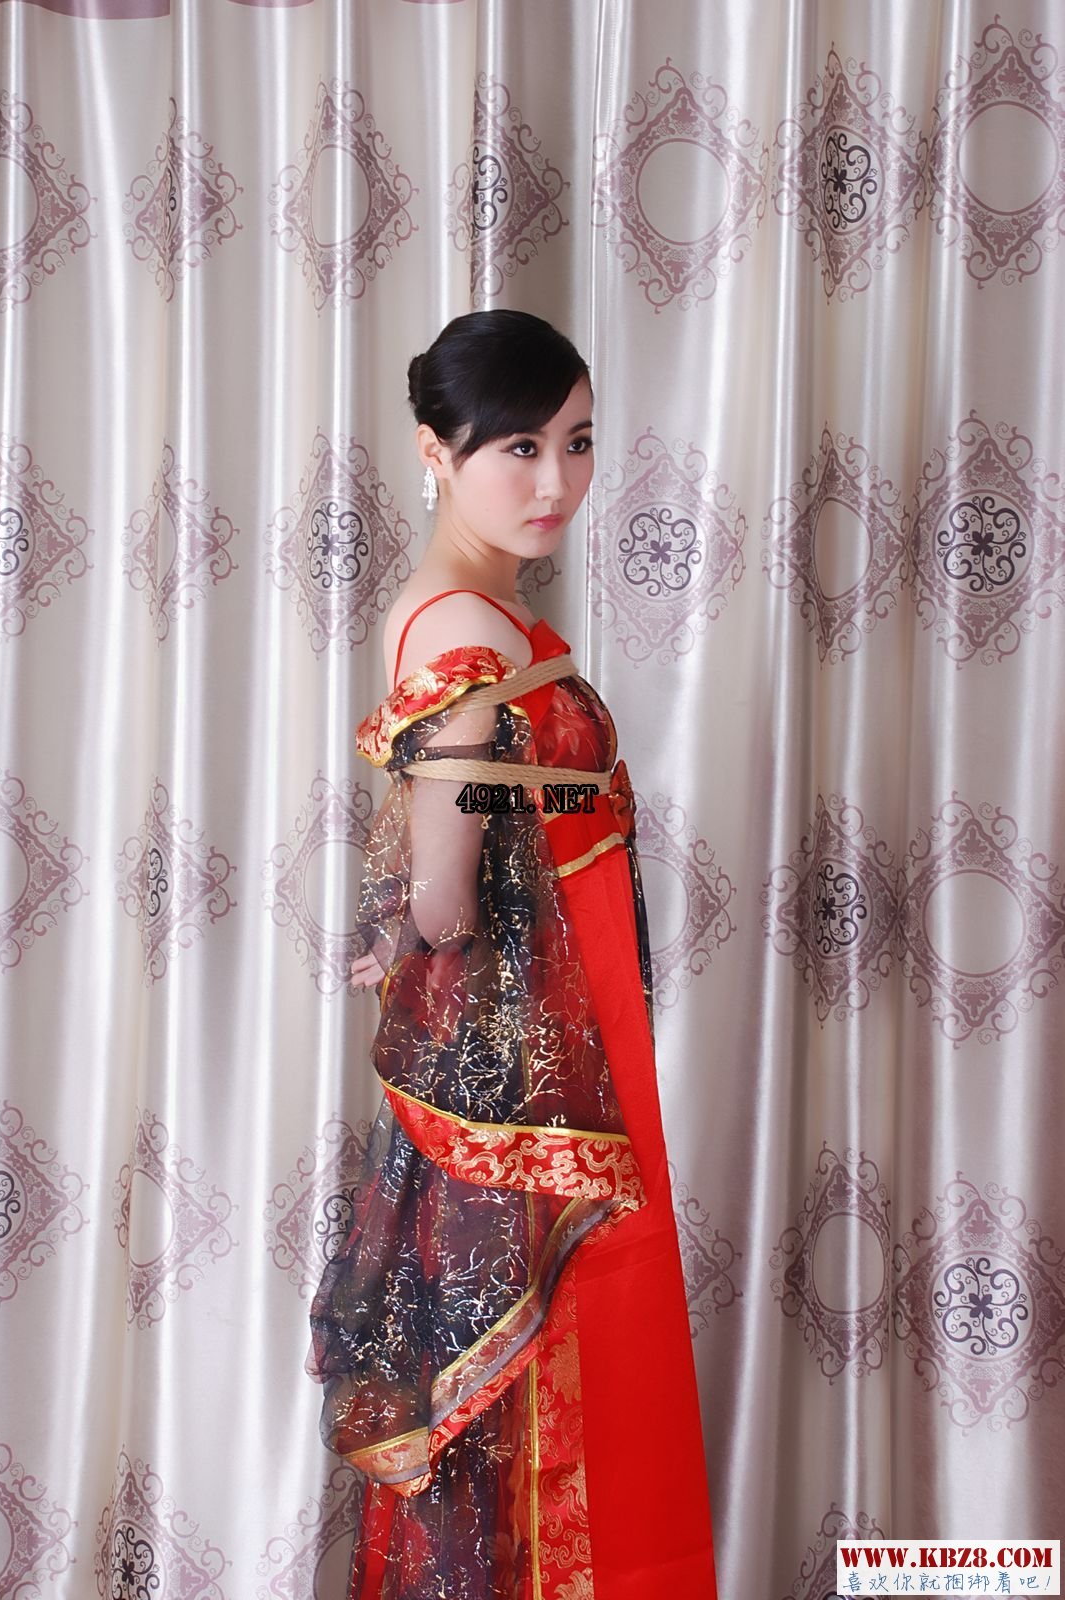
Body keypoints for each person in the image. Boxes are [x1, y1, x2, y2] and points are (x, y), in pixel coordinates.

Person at [304, 310, 718, 1600]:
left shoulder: (484, 614)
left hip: (570, 1019)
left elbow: (470, 819)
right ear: (436, 452)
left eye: (577, 443)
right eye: (519, 448)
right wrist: (449, 876)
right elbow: (444, 895)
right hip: (528, 1064)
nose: (555, 482)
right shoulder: (458, 633)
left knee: (583, 1348)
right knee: (556, 1355)